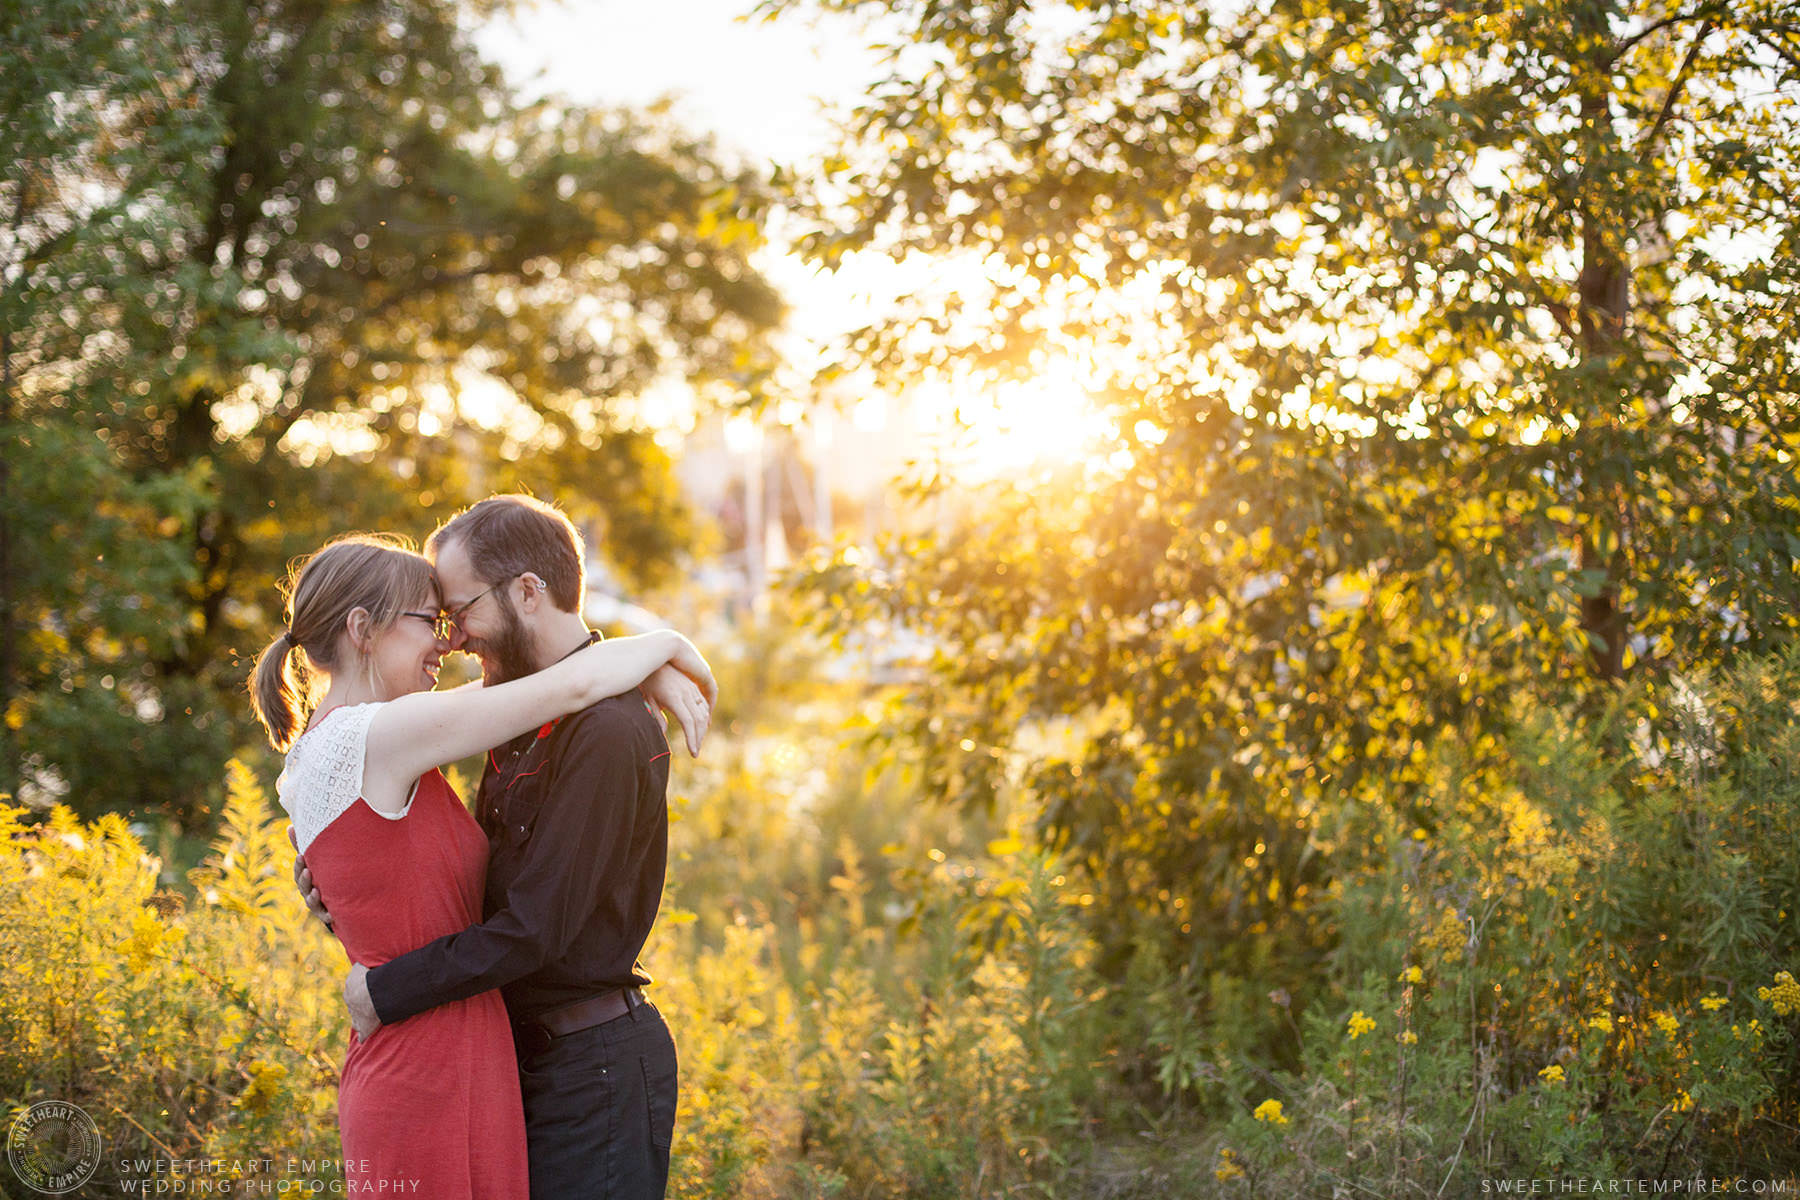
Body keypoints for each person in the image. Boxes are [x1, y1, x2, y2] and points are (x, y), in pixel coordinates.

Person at [253, 530, 714, 1200]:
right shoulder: (381, 735)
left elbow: (411, 894)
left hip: (479, 1052)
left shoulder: (357, 747)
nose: (449, 642)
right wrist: (669, 647)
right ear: (362, 629)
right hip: (431, 1062)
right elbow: (576, 680)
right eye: (430, 620)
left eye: (452, 616)